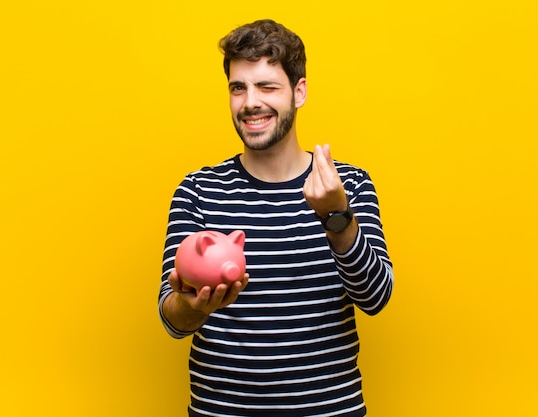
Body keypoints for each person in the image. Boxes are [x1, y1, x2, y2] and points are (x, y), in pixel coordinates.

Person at [158, 19, 394, 417]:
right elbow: (172, 320)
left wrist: (336, 216)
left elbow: (376, 298)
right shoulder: (197, 190)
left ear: (298, 92)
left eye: (267, 87)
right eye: (239, 87)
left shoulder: (347, 184)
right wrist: (195, 306)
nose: (251, 102)